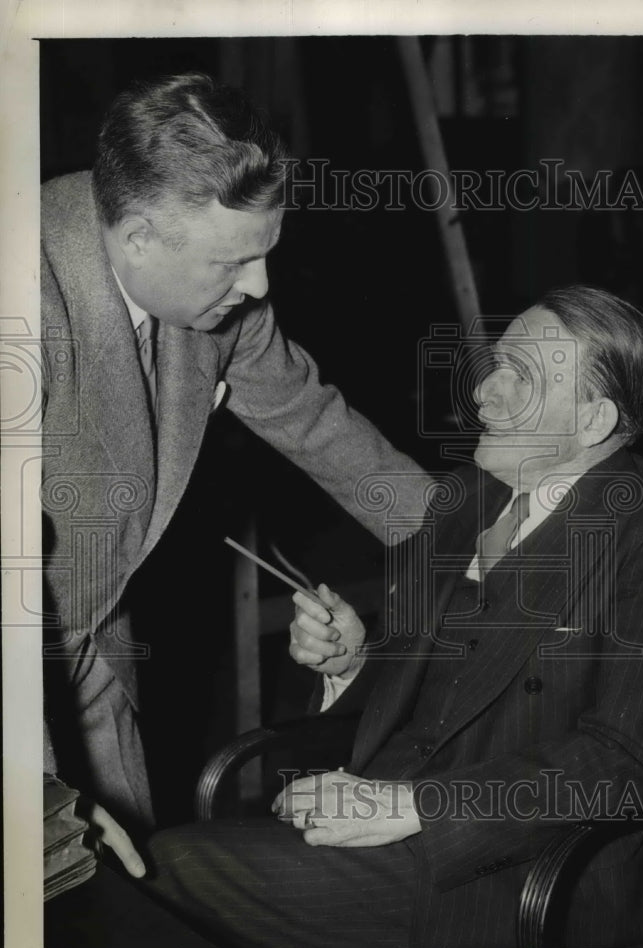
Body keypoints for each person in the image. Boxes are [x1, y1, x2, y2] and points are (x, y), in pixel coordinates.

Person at [144, 285, 643, 948]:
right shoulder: (465, 499)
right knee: (171, 866)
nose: (484, 393)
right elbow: (431, 690)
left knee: (169, 870)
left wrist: (416, 806)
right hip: (389, 821)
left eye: (520, 377)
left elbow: (627, 763)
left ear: (593, 420)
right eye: (495, 365)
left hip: (515, 871)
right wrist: (353, 660)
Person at [41, 72, 433, 878]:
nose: (259, 287)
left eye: (264, 254)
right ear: (139, 238)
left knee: (126, 899)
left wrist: (479, 543)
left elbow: (312, 421)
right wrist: (36, 799)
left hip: (88, 649)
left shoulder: (213, 287)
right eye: (234, 264)